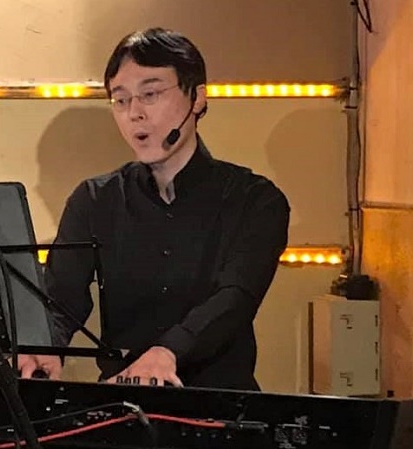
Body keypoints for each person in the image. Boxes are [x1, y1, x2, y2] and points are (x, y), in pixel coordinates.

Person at [19, 27, 290, 391]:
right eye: (120, 100)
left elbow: (236, 298)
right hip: (122, 403)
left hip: (221, 403)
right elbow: (62, 297)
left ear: (197, 98)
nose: (135, 113)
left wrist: (168, 351)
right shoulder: (94, 199)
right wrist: (45, 345)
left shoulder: (256, 200)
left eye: (150, 94)